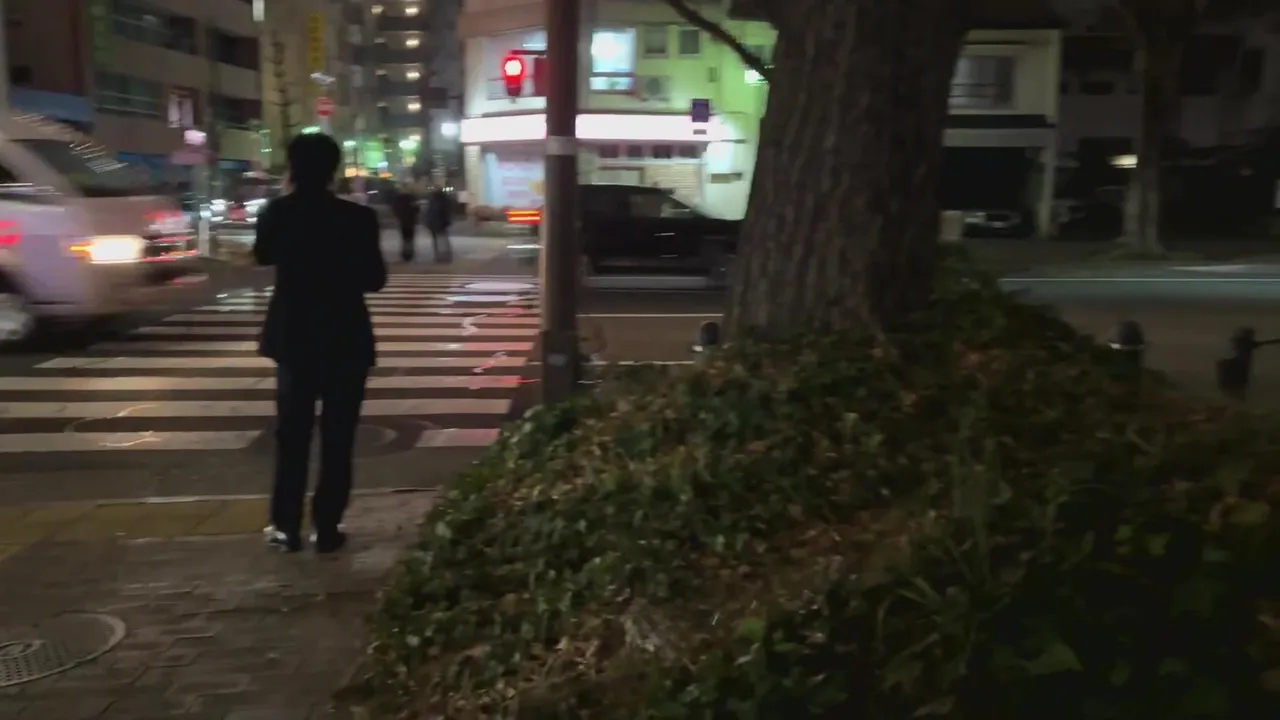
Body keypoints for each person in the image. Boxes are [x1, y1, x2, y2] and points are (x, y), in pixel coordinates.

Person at [252, 133, 388, 554]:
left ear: (292, 167)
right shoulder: (357, 218)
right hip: (345, 335)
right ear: (335, 169)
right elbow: (375, 279)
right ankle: (327, 527)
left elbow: (262, 255)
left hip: (295, 337)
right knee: (338, 437)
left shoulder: (278, 212)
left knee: (292, 436)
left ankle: (286, 526)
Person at [423, 186, 453, 263]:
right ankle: (442, 256)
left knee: (440, 240)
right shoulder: (440, 200)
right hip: (437, 223)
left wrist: (428, 221)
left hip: (438, 223)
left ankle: (442, 256)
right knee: (441, 240)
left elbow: (430, 212)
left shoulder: (435, 200)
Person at [391, 184, 419, 262]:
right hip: (410, 220)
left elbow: (395, 209)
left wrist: (398, 216)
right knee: (410, 238)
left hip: (403, 220)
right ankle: (409, 253)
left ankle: (405, 254)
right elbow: (417, 209)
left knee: (404, 238)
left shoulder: (398, 198)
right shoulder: (412, 198)